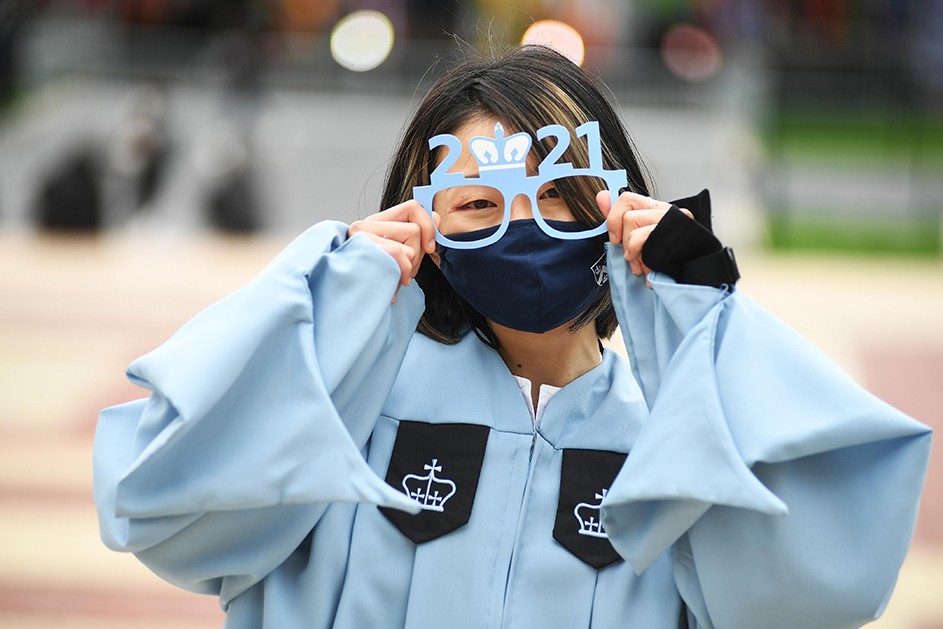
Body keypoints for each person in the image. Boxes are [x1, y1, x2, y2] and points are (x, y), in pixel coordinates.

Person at [94, 45, 930, 629]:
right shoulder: (338, 419)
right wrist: (330, 291)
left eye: (558, 197)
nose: (522, 232)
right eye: (478, 206)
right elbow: (168, 511)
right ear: (422, 224)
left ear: (617, 207)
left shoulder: (677, 444)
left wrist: (711, 324)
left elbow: (820, 587)